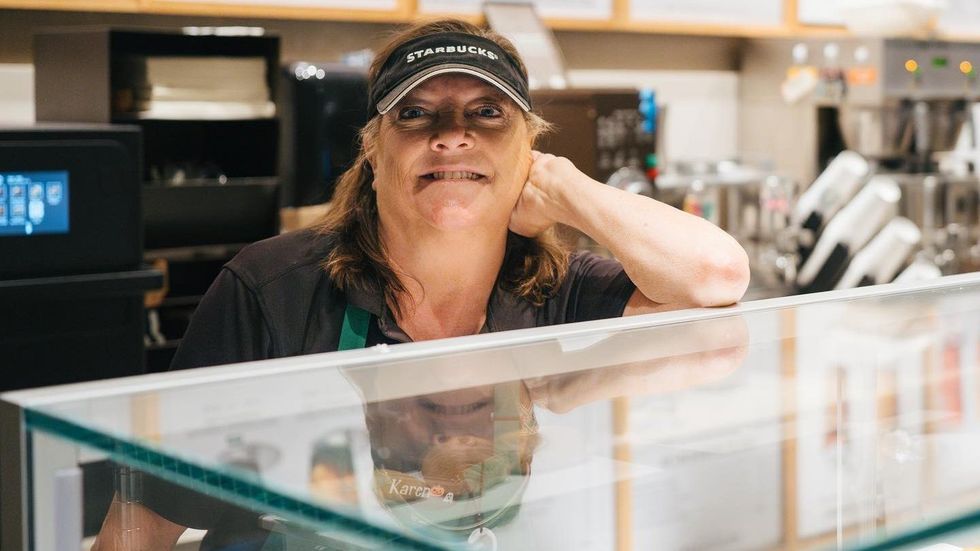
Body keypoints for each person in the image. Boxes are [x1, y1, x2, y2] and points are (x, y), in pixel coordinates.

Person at [92, 18, 749, 551]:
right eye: (416, 114)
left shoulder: (556, 290)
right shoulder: (271, 291)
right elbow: (138, 533)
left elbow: (716, 283)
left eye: (488, 113)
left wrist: (568, 189)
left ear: (530, 147)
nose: (452, 137)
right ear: (374, 148)